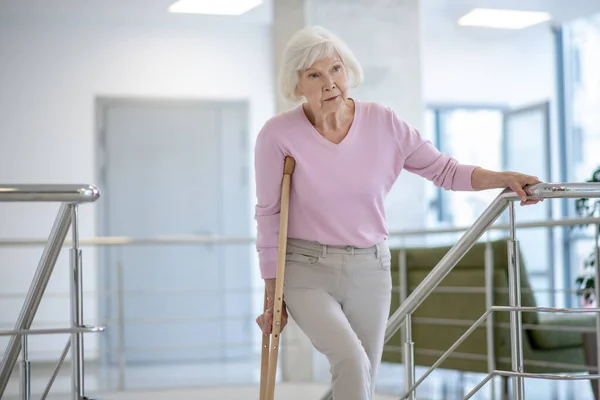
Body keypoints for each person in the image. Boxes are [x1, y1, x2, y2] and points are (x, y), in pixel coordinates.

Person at [253, 25, 541, 400]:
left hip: (370, 268)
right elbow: (269, 214)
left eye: (336, 69)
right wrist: (272, 294)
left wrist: (503, 177)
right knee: (351, 360)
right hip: (305, 267)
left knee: (363, 374)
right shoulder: (278, 134)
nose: (330, 84)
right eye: (314, 75)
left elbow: (445, 170)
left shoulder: (383, 122)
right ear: (297, 85)